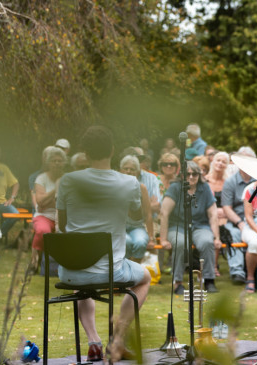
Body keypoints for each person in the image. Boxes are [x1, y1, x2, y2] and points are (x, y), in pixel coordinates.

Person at [56, 126, 150, 361]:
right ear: (113, 150)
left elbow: (62, 224)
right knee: (144, 278)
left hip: (70, 271)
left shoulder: (68, 180)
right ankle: (117, 341)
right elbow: (138, 217)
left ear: (85, 153)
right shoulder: (129, 182)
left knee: (82, 274)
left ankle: (94, 342)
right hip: (111, 270)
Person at [160, 161, 222, 294]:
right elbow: (164, 213)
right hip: (178, 226)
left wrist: (217, 237)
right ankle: (177, 283)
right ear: (182, 175)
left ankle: (209, 280)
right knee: (181, 243)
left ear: (199, 175)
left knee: (207, 242)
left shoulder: (204, 188)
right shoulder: (175, 188)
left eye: (195, 174)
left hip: (200, 225)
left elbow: (213, 214)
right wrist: (163, 239)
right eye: (188, 174)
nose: (191, 177)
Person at [221, 147, 257, 285]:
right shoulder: (230, 182)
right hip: (236, 220)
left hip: (256, 220)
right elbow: (226, 208)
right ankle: (237, 272)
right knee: (234, 234)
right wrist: (239, 223)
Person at [31, 146, 67, 268]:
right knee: (43, 231)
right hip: (44, 216)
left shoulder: (67, 178)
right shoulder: (41, 178)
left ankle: (66, 265)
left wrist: (49, 201)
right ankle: (34, 262)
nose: (57, 163)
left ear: (64, 162)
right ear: (49, 163)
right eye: (54, 161)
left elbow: (69, 202)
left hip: (63, 216)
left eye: (59, 160)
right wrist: (56, 189)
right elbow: (40, 202)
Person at [120, 155, 155, 262]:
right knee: (127, 242)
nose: (129, 171)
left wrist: (151, 237)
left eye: (132, 169)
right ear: (121, 170)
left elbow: (148, 214)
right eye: (126, 168)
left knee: (140, 242)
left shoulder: (142, 188)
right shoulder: (115, 186)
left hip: (137, 227)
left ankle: (135, 271)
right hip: (120, 227)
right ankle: (124, 272)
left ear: (137, 172)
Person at [206, 151, 230, 277]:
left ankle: (214, 266)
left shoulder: (228, 182)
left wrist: (225, 211)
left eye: (224, 162)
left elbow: (232, 203)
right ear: (213, 161)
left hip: (225, 217)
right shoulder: (204, 181)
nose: (220, 164)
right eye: (218, 160)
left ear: (227, 165)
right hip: (208, 216)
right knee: (213, 229)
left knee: (220, 228)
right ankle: (213, 266)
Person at [0, 145, 20, 239]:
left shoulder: (4, 168)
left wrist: (12, 198)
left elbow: (16, 184)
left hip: (2, 203)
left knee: (15, 214)